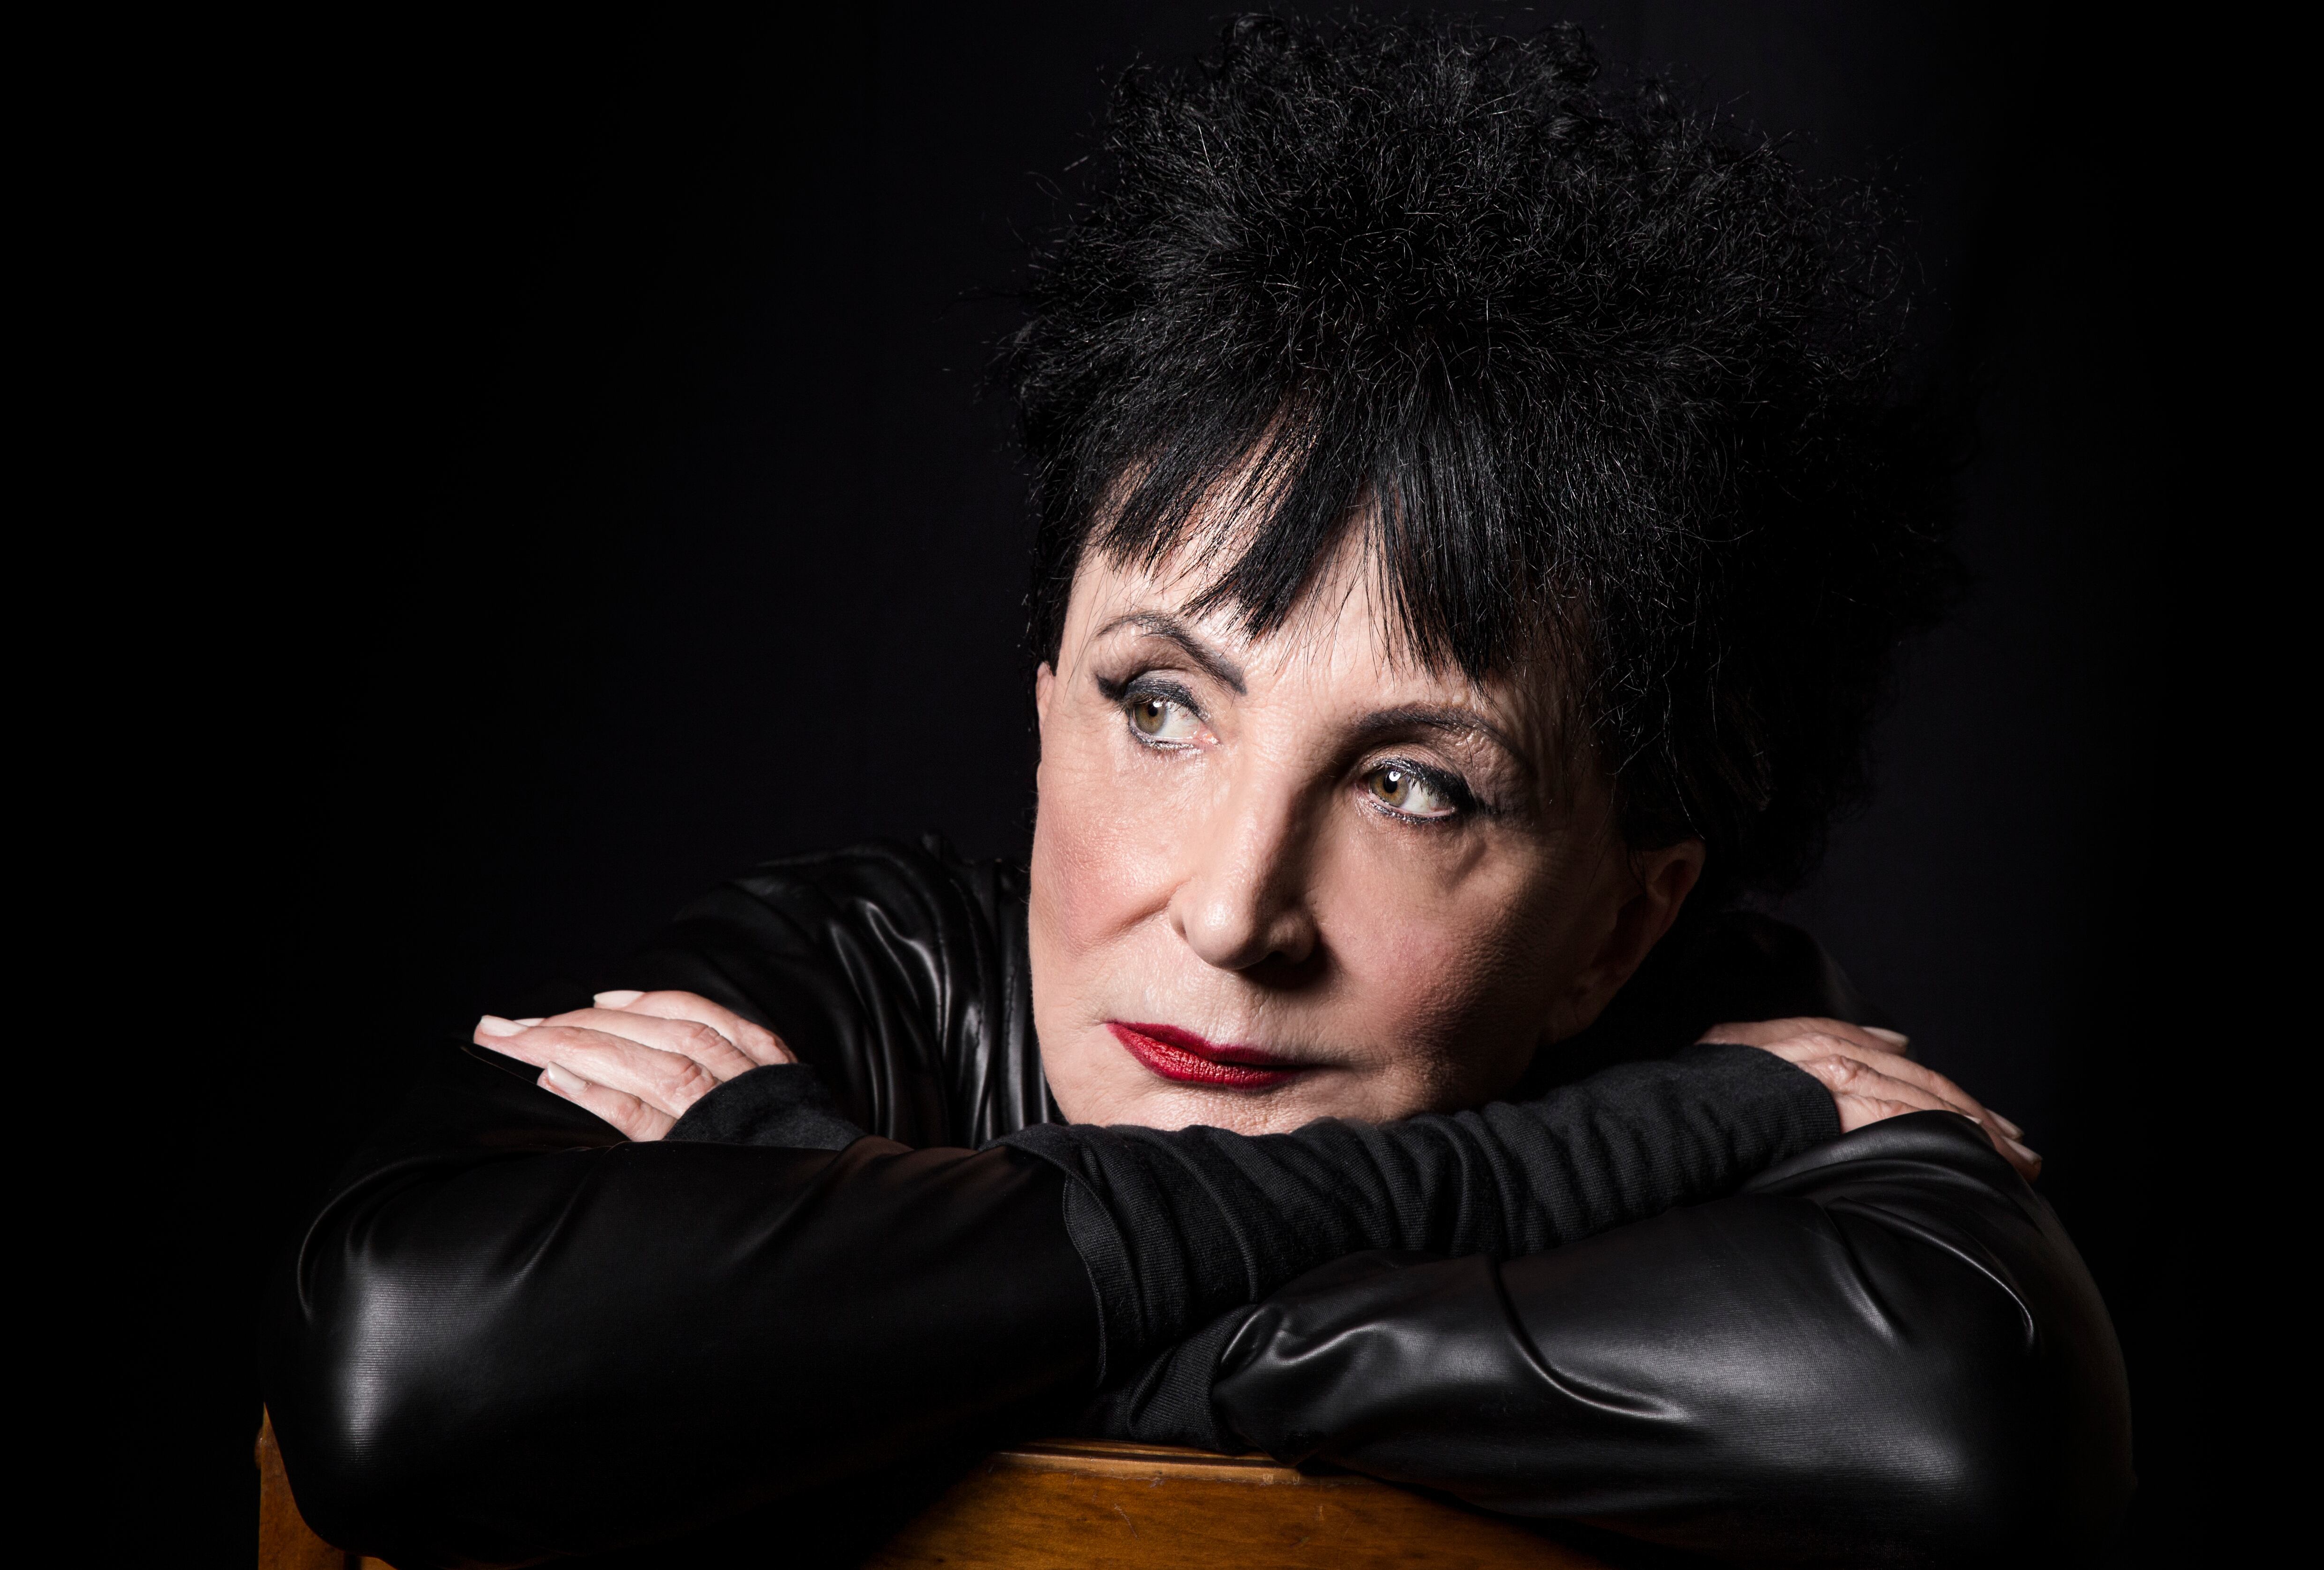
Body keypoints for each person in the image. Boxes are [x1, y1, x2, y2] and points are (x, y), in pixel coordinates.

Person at [264, 16, 2132, 1566]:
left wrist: (868, 1252)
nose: (1237, 909)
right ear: (1046, 713)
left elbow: (1965, 1424)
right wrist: (1568, 1170)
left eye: (1413, 785)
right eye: (1161, 707)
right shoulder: (865, 973)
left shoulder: (1734, 1039)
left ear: (1616, 928)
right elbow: (405, 1370)